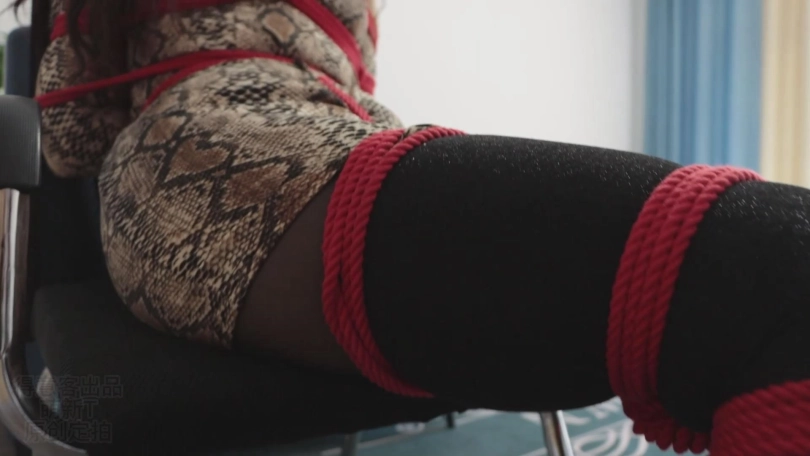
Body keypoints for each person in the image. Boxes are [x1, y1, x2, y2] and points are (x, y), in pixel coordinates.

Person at [18, 0, 810, 454]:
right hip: (205, 163)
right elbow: (70, 143)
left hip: (309, 138)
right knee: (775, 280)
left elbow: (76, 135)